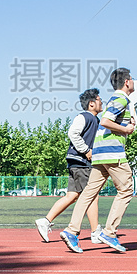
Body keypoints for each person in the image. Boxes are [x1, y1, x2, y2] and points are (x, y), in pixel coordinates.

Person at [60, 68, 136, 253]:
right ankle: (109, 233)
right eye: (132, 79)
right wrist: (126, 129)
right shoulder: (121, 98)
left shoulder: (113, 99)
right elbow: (106, 121)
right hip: (112, 151)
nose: (134, 82)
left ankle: (71, 230)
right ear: (127, 82)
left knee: (88, 193)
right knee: (126, 190)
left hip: (100, 152)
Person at [35, 88, 104, 244]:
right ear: (91, 103)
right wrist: (86, 150)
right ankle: (95, 233)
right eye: (100, 100)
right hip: (82, 163)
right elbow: (73, 133)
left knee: (72, 196)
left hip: (76, 163)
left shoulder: (95, 120)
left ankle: (45, 221)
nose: (102, 103)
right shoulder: (85, 117)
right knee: (92, 196)